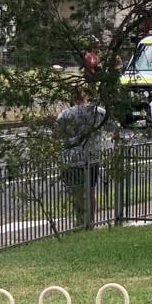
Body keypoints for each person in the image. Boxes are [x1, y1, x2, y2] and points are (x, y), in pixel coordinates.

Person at [56, 87, 108, 227]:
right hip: (92, 157)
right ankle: (90, 221)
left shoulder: (65, 115)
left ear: (71, 98)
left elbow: (57, 135)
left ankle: (79, 221)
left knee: (77, 192)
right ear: (87, 97)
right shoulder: (99, 112)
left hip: (73, 159)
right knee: (90, 191)